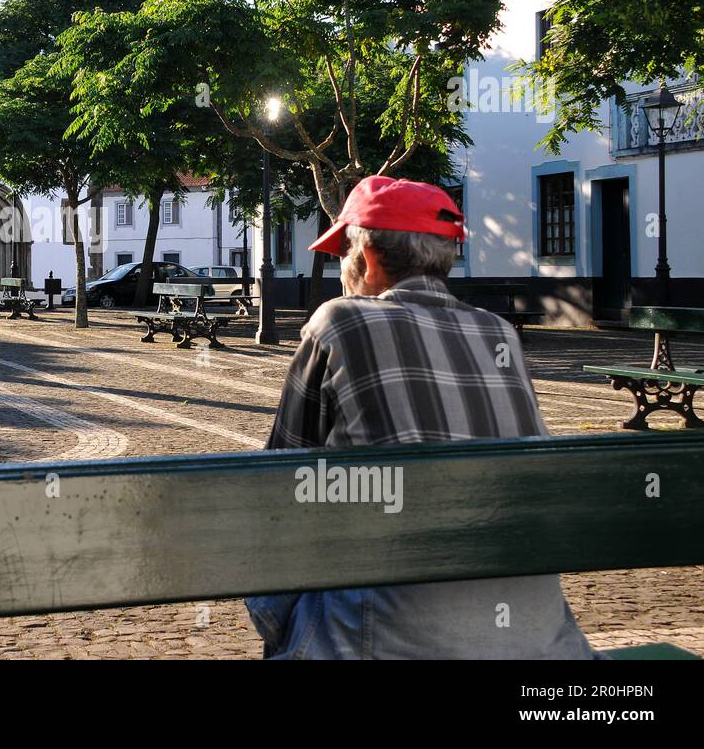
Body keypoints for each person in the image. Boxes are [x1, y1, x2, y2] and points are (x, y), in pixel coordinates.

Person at [246, 176, 599, 659]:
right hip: (536, 633)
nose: (341, 270)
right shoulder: (499, 333)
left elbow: (279, 478)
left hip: (390, 635)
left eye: (342, 257)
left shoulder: (340, 320)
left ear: (368, 260)